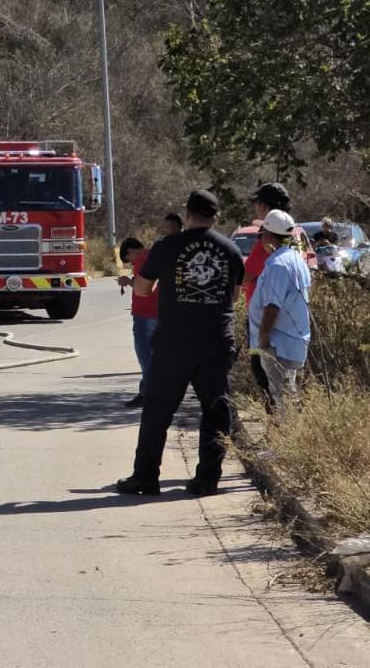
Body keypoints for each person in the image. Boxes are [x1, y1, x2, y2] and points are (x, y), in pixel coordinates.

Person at [115, 190, 244, 497]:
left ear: (187, 214)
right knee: (215, 412)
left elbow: (142, 290)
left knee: (157, 410)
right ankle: (207, 480)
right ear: (216, 216)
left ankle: (145, 477)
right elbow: (235, 296)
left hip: (174, 342)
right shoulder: (231, 249)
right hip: (215, 342)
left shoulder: (168, 246)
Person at [248, 210, 311, 415]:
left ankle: (286, 436)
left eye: (261, 234)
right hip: (293, 342)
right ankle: (285, 434)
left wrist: (264, 342)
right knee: (288, 397)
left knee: (282, 400)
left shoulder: (277, 265)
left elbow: (272, 307)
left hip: (279, 346)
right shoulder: (296, 259)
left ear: (268, 235)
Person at [243, 183, 291, 391]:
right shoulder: (290, 234)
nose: (256, 207)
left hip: (264, 319)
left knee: (263, 372)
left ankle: (272, 410)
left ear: (264, 206)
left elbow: (246, 274)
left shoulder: (268, 238)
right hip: (286, 319)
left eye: (257, 203)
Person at [116, 237, 157, 409]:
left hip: (145, 314)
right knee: (154, 356)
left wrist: (127, 281)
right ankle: (152, 392)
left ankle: (147, 394)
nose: (131, 264)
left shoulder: (142, 260)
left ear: (131, 251)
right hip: (158, 312)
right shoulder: (155, 256)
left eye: (129, 260)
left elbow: (144, 286)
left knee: (145, 356)